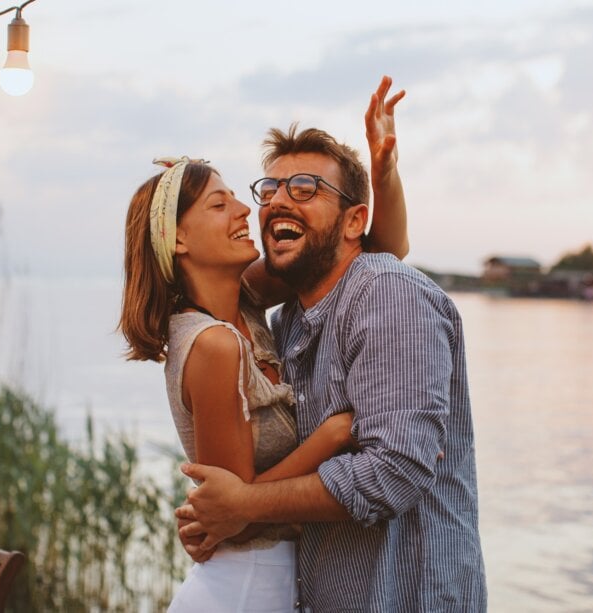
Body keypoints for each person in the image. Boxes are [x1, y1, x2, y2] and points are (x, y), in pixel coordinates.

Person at [176, 110, 488, 610]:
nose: (278, 199)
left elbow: (395, 472)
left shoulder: (388, 297)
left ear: (354, 222)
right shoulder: (287, 321)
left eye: (304, 188)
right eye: (271, 189)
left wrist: (243, 506)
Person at [118, 77, 410, 612]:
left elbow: (368, 246)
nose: (244, 211)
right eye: (219, 204)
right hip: (246, 584)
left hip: (271, 578)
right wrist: (331, 436)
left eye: (236, 198)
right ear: (178, 240)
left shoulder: (244, 300)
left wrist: (383, 169)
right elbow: (238, 503)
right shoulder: (213, 344)